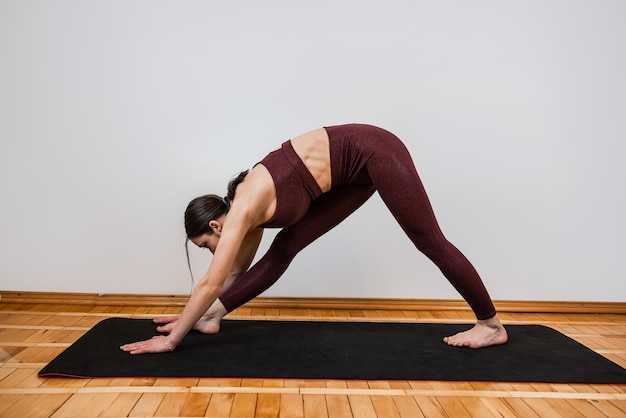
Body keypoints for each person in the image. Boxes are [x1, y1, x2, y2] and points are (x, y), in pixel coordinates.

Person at [120, 124, 508, 354]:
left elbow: (213, 281)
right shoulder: (246, 214)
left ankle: (490, 325)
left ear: (216, 227)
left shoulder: (243, 206)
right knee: (283, 251)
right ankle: (213, 317)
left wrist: (172, 341)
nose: (212, 253)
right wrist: (202, 315)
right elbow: (238, 273)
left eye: (206, 246)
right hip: (351, 172)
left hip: (376, 150)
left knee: (429, 241)